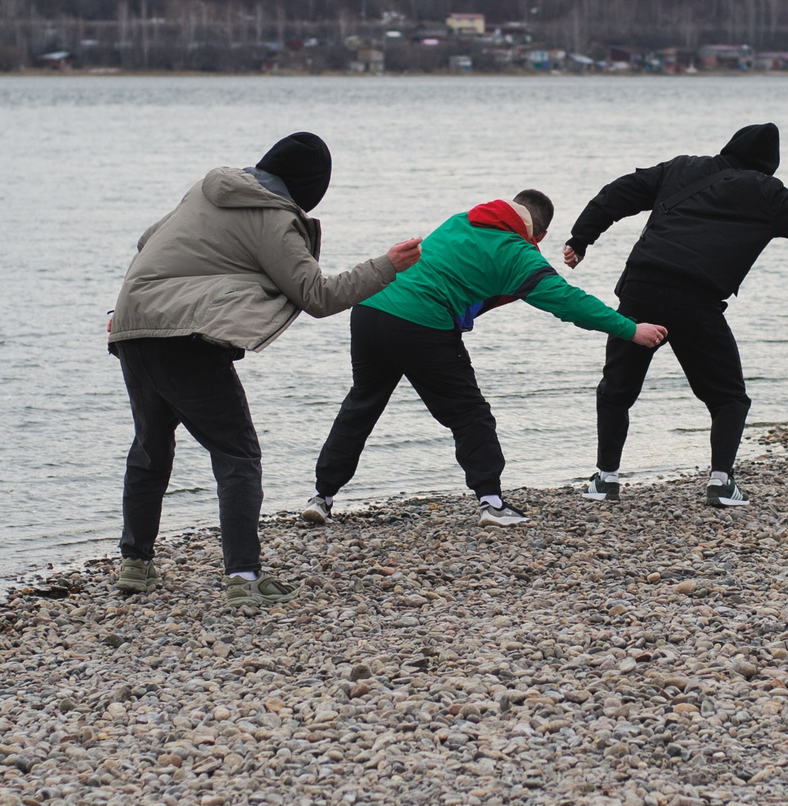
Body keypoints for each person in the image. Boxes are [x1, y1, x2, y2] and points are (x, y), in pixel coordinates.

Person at [107, 131, 420, 605]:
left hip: (130, 324)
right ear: (310, 186)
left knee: (151, 447)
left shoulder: (209, 189)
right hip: (183, 338)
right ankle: (243, 578)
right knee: (238, 455)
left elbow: (148, 239)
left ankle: (135, 565)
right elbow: (317, 295)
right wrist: (388, 265)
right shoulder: (273, 217)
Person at [302, 189, 666, 529]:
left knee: (362, 404)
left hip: (370, 307)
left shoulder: (461, 220)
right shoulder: (518, 251)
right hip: (421, 322)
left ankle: (321, 497)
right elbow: (569, 302)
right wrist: (631, 330)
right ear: (538, 233)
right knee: (469, 414)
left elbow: (458, 278)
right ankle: (491, 503)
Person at [562, 122, 788, 508]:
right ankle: (720, 482)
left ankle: (606, 480)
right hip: (695, 302)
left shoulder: (681, 168)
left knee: (617, 388)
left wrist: (581, 237)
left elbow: (617, 193)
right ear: (771, 163)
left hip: (642, 289)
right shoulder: (767, 194)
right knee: (728, 396)